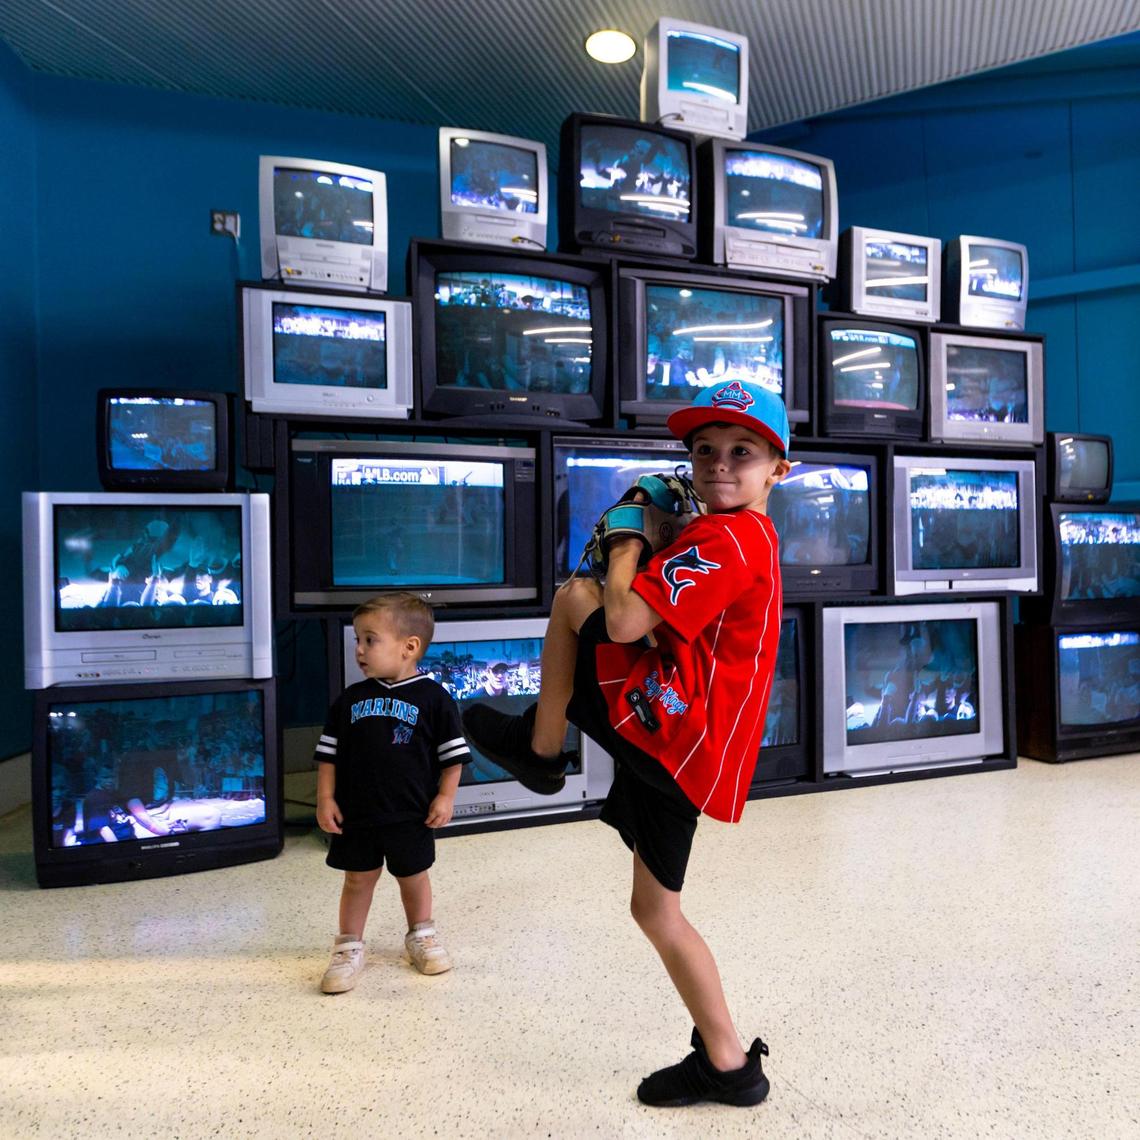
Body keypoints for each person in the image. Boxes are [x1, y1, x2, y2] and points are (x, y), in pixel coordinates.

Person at [463, 378, 792, 1108]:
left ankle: (541, 749)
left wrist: (627, 535)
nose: (718, 467)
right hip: (693, 747)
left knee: (575, 598)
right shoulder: (748, 534)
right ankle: (730, 1065)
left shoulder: (729, 536)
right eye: (704, 451)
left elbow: (622, 622)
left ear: (778, 469)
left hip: (677, 738)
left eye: (743, 452)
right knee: (654, 911)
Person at [314, 592, 470, 993]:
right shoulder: (350, 700)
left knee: (413, 876)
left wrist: (446, 797)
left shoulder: (435, 700)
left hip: (411, 813)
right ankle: (348, 946)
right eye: (357, 641)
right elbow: (328, 755)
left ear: (409, 647)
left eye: (370, 640)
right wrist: (325, 798)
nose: (359, 651)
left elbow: (452, 758)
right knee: (357, 879)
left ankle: (421, 934)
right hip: (357, 814)